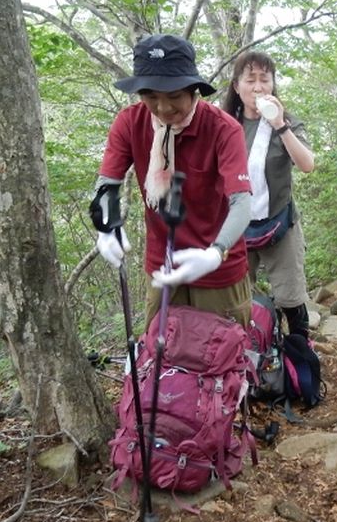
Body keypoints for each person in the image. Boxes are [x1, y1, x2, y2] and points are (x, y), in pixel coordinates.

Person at [91, 33, 253, 327]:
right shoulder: (130, 123)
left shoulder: (222, 129)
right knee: (162, 356)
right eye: (151, 96)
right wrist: (105, 226)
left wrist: (216, 252)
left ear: (193, 90)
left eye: (174, 96)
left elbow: (242, 201)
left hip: (219, 267)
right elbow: (107, 183)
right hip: (162, 263)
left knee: (224, 357)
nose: (163, 108)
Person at [221, 51, 315, 338]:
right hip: (236, 227)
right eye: (251, 80)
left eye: (265, 79)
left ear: (273, 84)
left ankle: (300, 360)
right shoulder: (225, 124)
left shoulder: (287, 121)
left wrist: (279, 124)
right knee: (234, 300)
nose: (258, 87)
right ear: (237, 87)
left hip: (280, 222)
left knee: (291, 298)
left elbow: (307, 164)